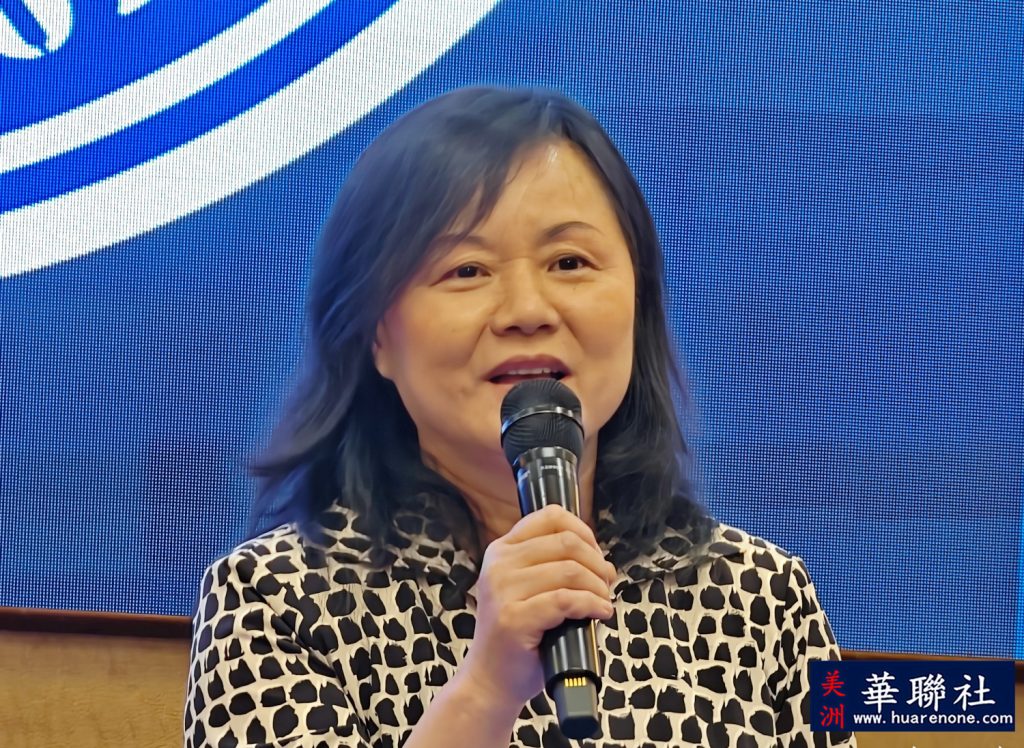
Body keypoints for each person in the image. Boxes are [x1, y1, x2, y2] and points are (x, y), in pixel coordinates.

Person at [183, 86, 856, 748]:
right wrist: (485, 690)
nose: (527, 310)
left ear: (639, 301)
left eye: (569, 262)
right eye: (467, 270)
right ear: (377, 333)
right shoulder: (274, 600)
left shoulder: (765, 597)